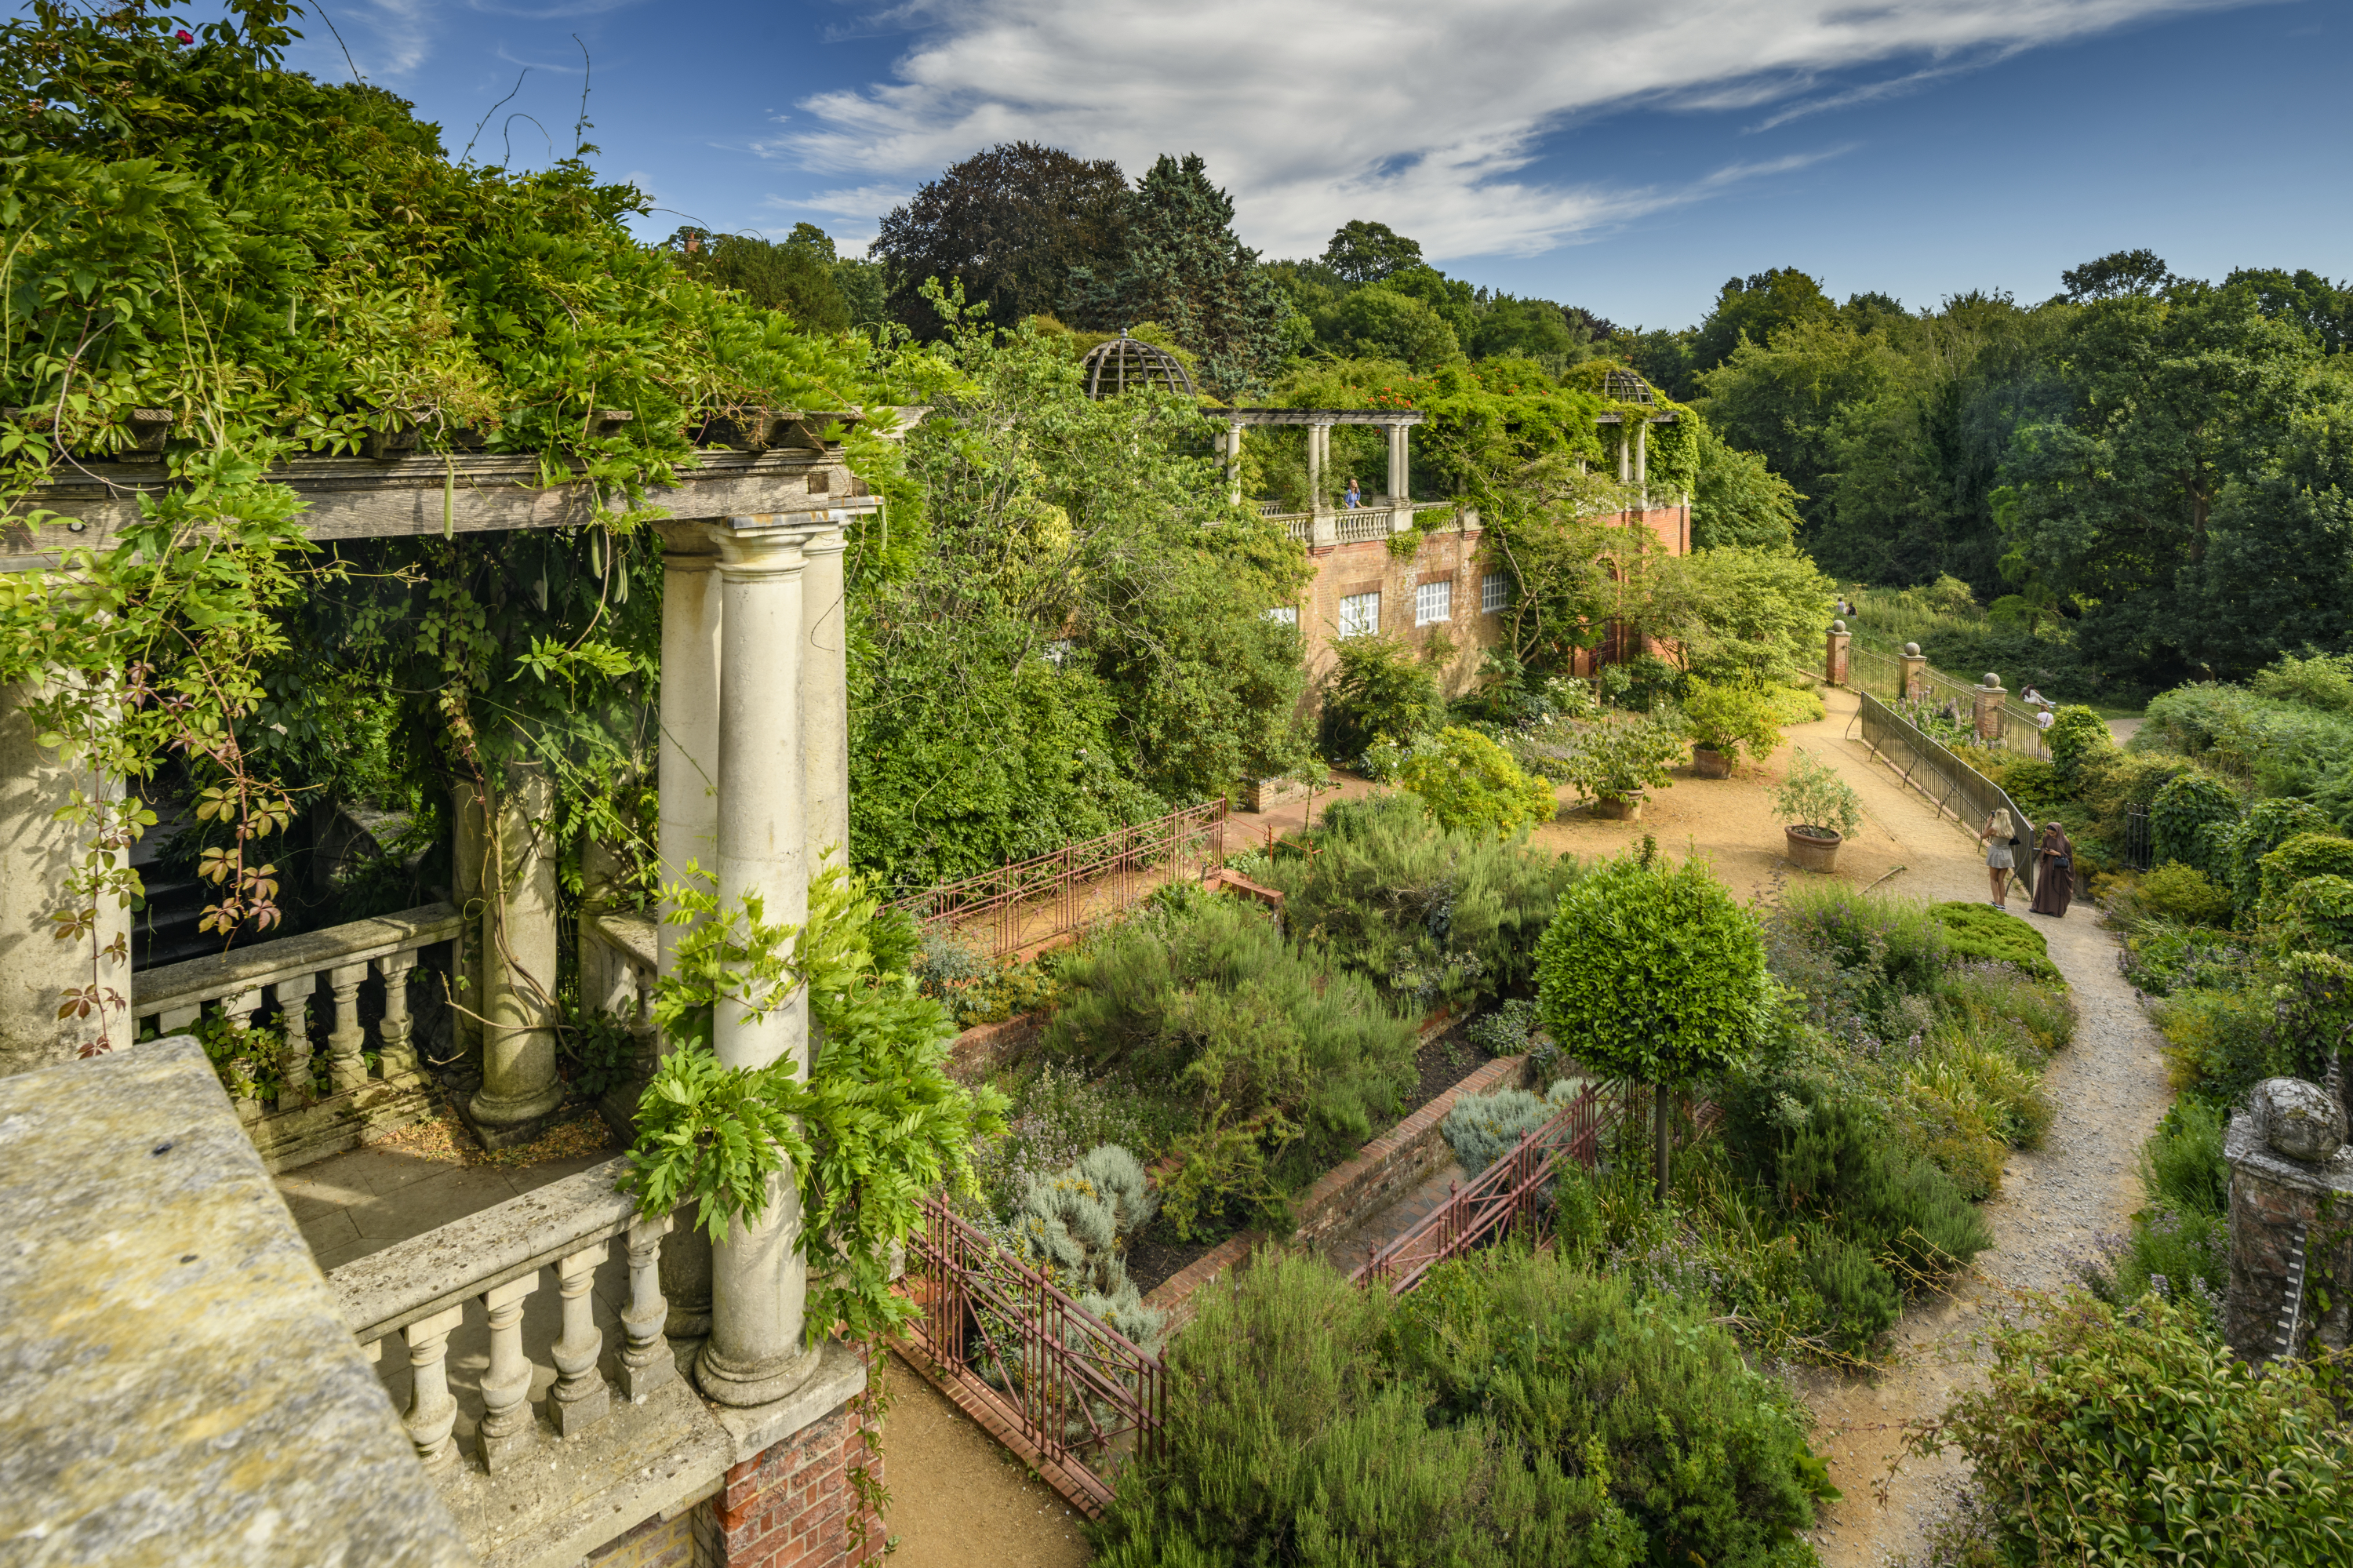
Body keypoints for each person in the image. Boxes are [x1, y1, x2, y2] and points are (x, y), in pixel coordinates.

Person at [2031, 820, 2075, 918]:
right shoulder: (2047, 838)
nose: (2050, 835)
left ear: (2058, 831)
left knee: (2056, 888)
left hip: (2058, 869)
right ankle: (2039, 907)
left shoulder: (2065, 841)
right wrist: (2045, 852)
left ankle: (2054, 910)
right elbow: (2042, 848)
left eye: (2052, 833)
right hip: (2048, 865)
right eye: (2049, 833)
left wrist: (2058, 854)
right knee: (2043, 884)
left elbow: (2069, 857)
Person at [1979, 807, 2017, 908]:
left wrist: (1988, 823)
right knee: (2001, 880)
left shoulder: (1994, 829)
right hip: (2006, 854)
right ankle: (2002, 904)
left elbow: (1983, 836)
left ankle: (1996, 903)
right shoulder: (2011, 829)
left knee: (1993, 879)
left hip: (1996, 853)